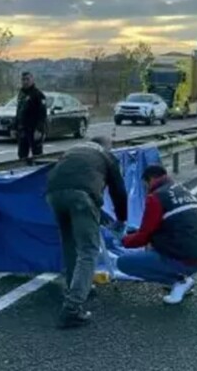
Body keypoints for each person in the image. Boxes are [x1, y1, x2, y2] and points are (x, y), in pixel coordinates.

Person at [46, 136, 128, 329]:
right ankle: (72, 308)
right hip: (81, 196)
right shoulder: (106, 156)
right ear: (105, 147)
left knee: (69, 245)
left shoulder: (71, 151)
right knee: (88, 250)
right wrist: (122, 219)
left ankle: (75, 287)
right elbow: (119, 191)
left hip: (53, 194)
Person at [117, 165, 197, 305]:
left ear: (150, 180)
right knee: (153, 243)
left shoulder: (156, 197)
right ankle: (179, 276)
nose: (145, 188)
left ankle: (179, 280)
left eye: (145, 184)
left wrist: (122, 241)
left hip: (188, 257)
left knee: (123, 262)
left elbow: (143, 236)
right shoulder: (181, 189)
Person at [15, 72, 48, 164]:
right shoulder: (21, 94)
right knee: (22, 154)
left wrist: (39, 129)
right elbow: (19, 112)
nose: (25, 82)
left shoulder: (38, 95)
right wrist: (15, 127)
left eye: (27, 79)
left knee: (37, 155)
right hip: (23, 130)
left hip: (34, 130)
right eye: (23, 79)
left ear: (32, 80)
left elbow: (42, 114)